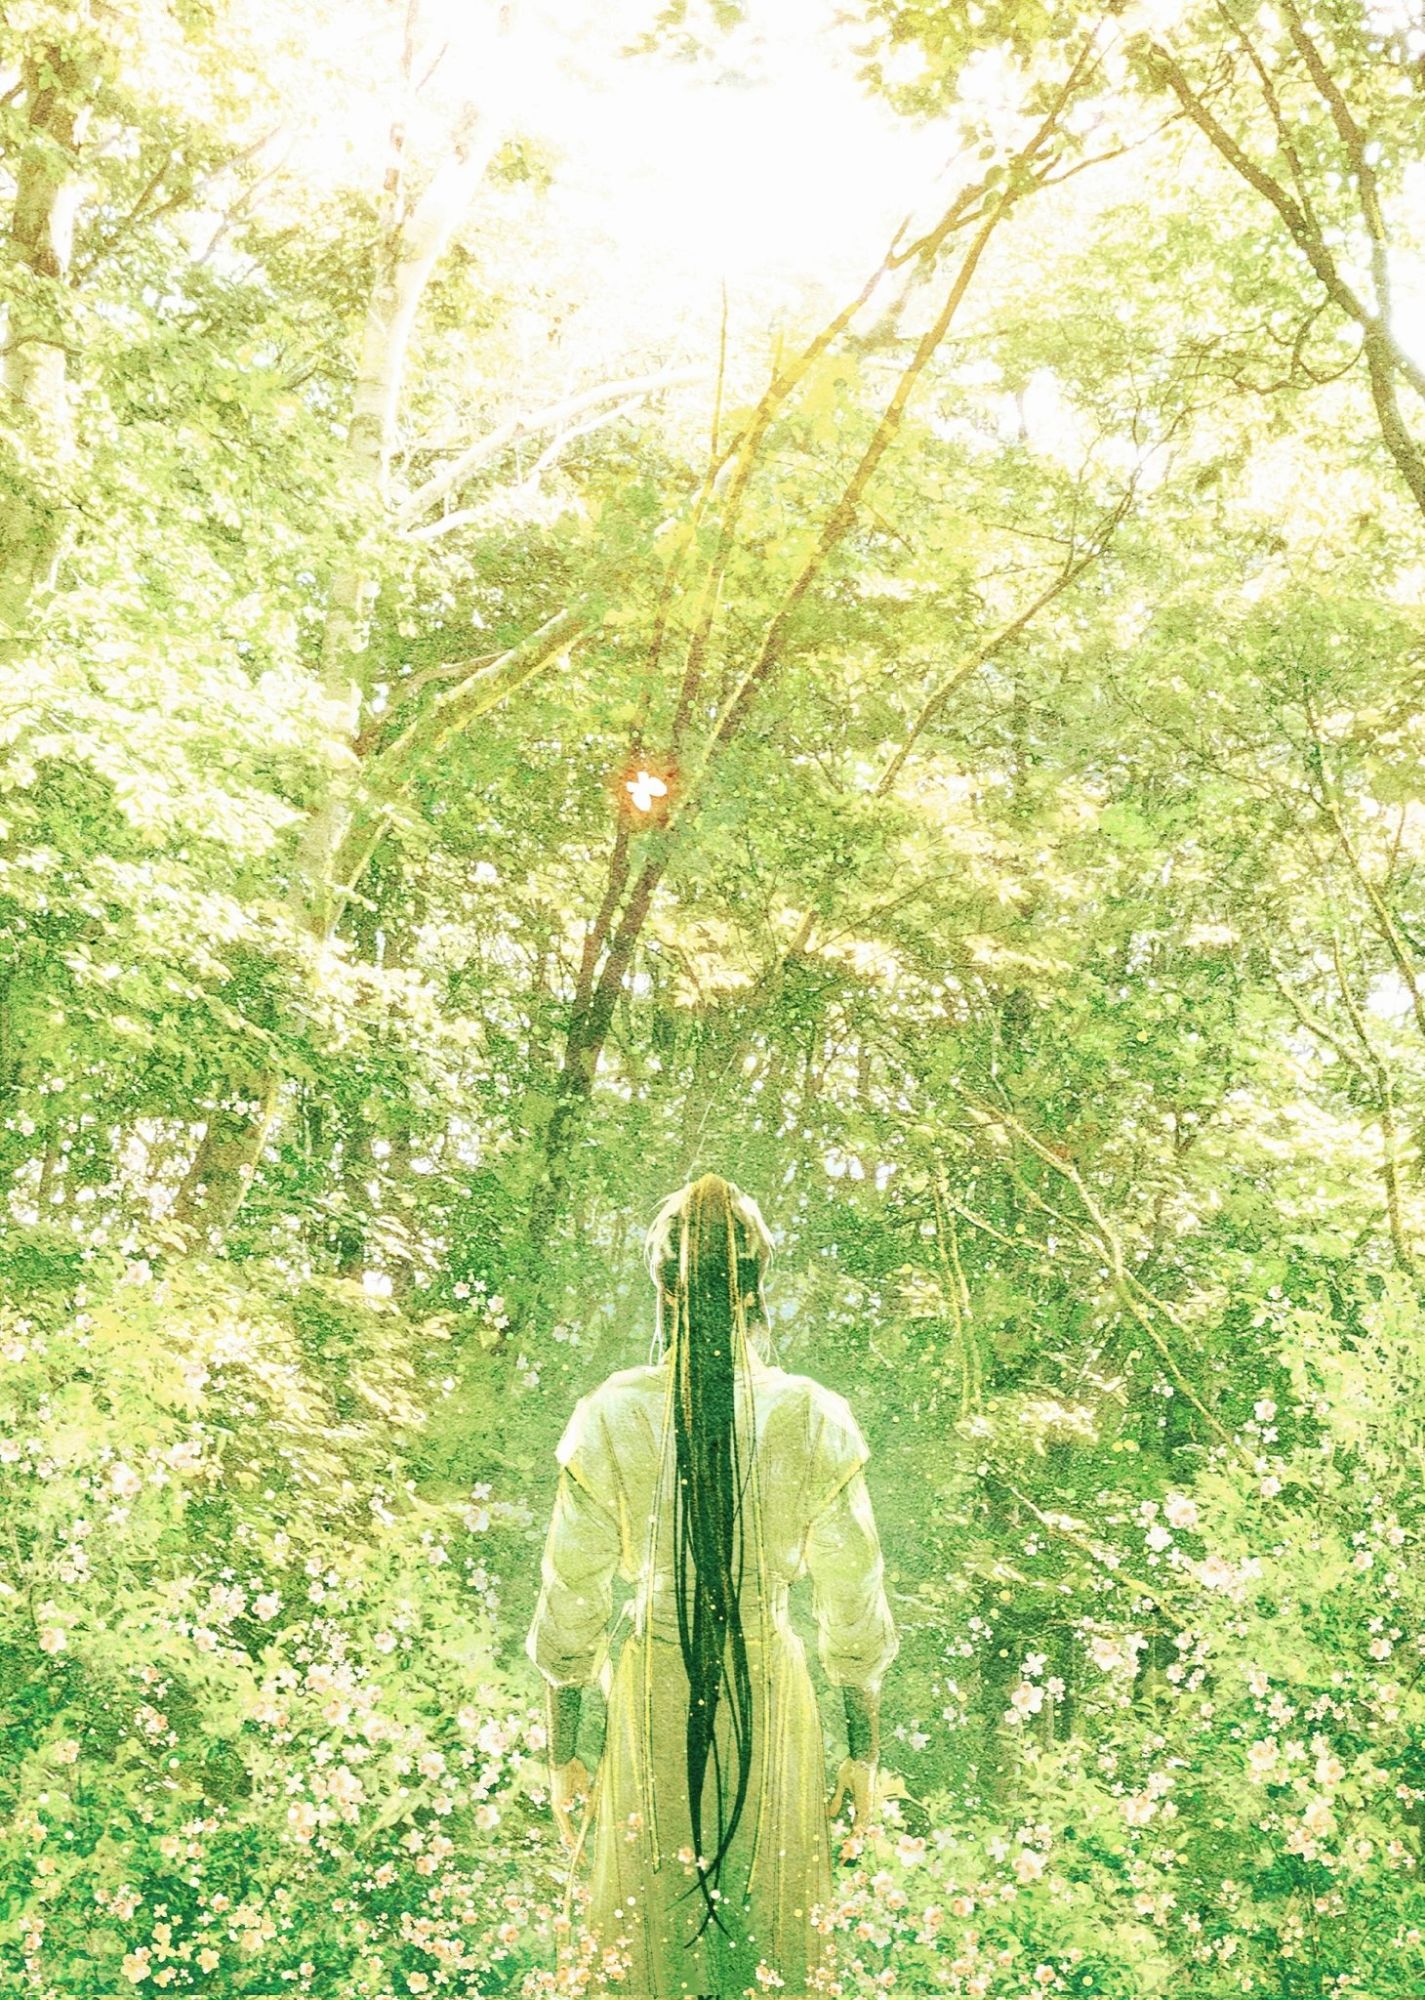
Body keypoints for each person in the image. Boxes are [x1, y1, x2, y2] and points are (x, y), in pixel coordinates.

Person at [524, 1173, 898, 1998]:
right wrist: (863, 1754)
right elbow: (853, 1607)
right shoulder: (814, 1415)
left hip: (651, 1694)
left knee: (645, 1933)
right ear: (756, 1287)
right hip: (772, 1689)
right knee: (769, 1938)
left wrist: (561, 1753)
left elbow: (570, 1605)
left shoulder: (609, 1414)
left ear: (663, 1286)